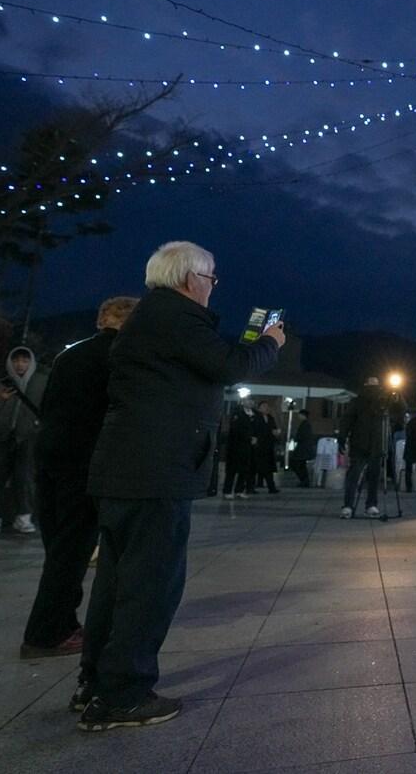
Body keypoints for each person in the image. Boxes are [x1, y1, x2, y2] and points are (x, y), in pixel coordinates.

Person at [77, 241, 282, 731]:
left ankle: (96, 683)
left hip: (127, 468)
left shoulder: (148, 319)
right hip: (156, 469)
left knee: (116, 580)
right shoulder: (177, 317)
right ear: (192, 278)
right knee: (150, 584)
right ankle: (123, 694)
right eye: (212, 280)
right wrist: (271, 341)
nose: (212, 289)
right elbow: (231, 366)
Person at [20, 296, 138, 658]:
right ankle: (47, 632)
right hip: (84, 462)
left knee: (58, 544)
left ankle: (63, 622)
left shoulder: (70, 355)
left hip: (49, 455)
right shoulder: (120, 355)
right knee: (72, 550)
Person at [0, 346, 50, 537]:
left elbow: (51, 408)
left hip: (28, 438)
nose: (20, 365)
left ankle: (24, 518)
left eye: (25, 361)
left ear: (31, 363)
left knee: (25, 478)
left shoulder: (42, 383)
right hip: (0, 437)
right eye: (16, 360)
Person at [340, 377, 390, 518]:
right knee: (353, 476)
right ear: (366, 385)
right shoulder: (357, 402)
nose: (373, 389)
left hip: (377, 445)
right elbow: (346, 419)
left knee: (373, 477)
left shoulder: (383, 402)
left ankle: (371, 505)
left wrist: (396, 394)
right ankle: (348, 505)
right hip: (359, 444)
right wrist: (342, 437)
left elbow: (400, 408)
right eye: (371, 385)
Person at [223, 401, 259, 499]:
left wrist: (255, 437)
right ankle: (227, 490)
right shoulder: (237, 413)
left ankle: (239, 490)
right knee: (232, 470)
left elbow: (256, 428)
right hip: (235, 446)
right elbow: (235, 429)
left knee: (244, 469)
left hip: (248, 447)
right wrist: (248, 437)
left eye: (251, 401)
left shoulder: (254, 414)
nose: (250, 403)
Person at [254, 400, 281, 494]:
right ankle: (252, 486)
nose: (266, 408)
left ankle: (271, 487)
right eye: (264, 406)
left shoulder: (270, 418)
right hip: (258, 446)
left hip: (268, 446)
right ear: (259, 408)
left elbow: (273, 428)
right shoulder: (256, 417)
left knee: (268, 468)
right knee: (255, 467)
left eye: (267, 406)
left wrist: (276, 433)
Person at [288, 409, 314, 488]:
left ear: (303, 415)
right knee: (301, 465)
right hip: (304, 447)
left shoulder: (305, 424)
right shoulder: (306, 424)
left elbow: (301, 436)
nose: (298, 416)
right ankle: (304, 481)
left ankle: (304, 480)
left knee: (296, 463)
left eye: (299, 415)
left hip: (302, 448)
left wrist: (295, 438)